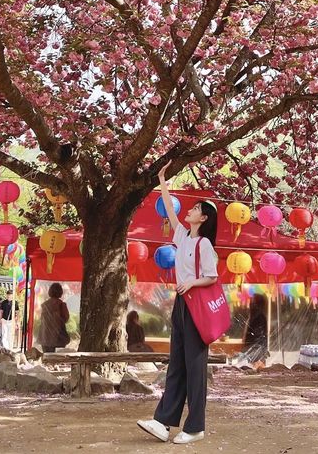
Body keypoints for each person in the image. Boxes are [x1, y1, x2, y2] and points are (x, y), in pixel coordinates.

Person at [138, 164, 218, 445]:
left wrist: (192, 283)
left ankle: (196, 426)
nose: (190, 210)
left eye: (195, 209)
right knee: (177, 365)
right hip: (182, 305)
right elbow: (170, 212)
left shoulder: (205, 245)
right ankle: (163, 422)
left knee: (195, 369)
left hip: (196, 306)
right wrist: (162, 181)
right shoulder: (183, 237)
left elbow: (212, 276)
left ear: (203, 217)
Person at [38, 282, 70, 353]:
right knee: (57, 359)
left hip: (45, 336)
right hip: (58, 336)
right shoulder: (62, 305)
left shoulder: (45, 305)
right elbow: (66, 318)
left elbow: (42, 319)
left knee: (47, 359)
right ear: (60, 292)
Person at [241, 294, 268, 365]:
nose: (250, 305)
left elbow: (259, 336)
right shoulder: (253, 317)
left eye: (253, 303)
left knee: (257, 369)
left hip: (256, 350)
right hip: (253, 349)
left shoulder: (259, 317)